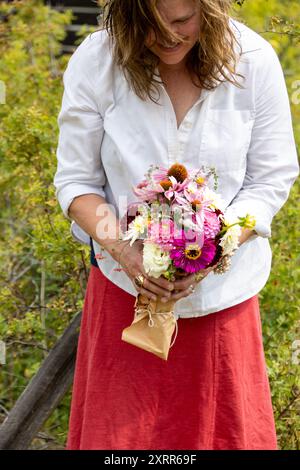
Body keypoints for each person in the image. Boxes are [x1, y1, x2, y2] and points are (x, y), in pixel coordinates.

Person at [54, 0, 299, 450]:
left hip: (221, 307)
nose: (167, 37)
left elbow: (270, 179)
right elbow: (76, 182)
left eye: (182, 21)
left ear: (210, 8)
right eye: (150, 25)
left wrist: (217, 249)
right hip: (126, 303)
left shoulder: (254, 61)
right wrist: (127, 254)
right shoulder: (97, 59)